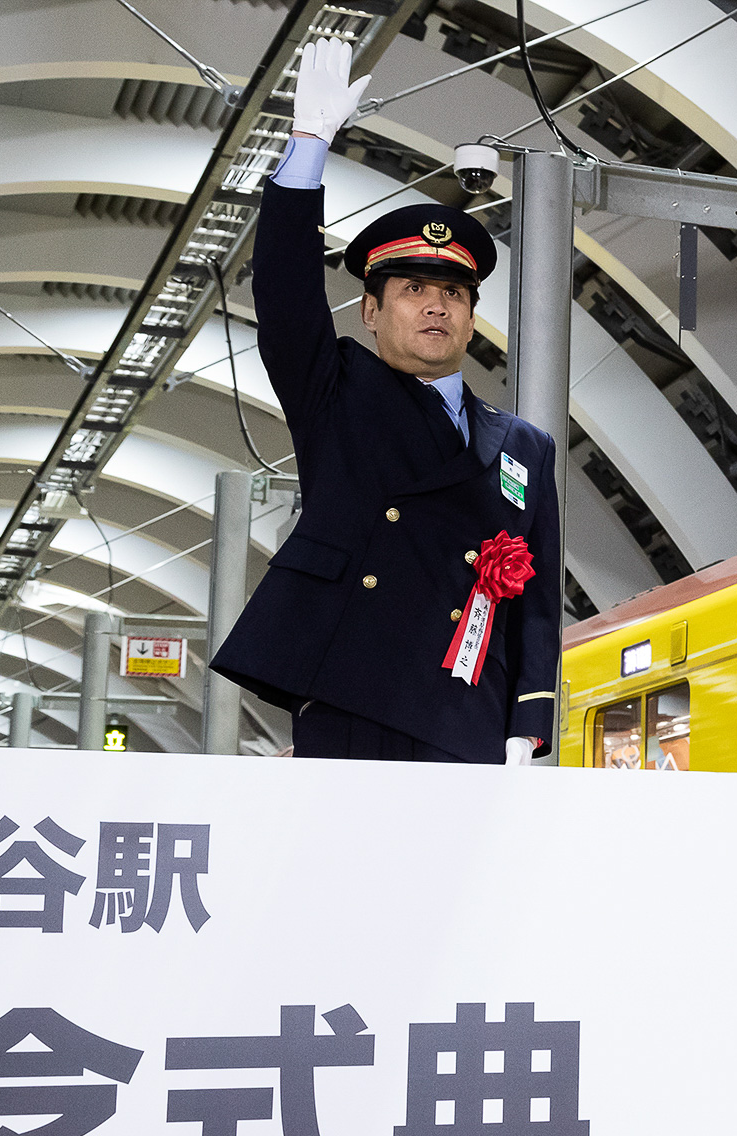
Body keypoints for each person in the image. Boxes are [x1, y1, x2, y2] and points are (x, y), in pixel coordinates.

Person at [211, 37, 561, 764]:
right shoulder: (335, 388)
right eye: (412, 291)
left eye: (454, 293)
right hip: (351, 694)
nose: (436, 307)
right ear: (370, 311)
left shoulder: (525, 446)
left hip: (469, 710)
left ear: (471, 316)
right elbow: (284, 297)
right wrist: (308, 146)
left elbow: (536, 600)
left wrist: (529, 721)